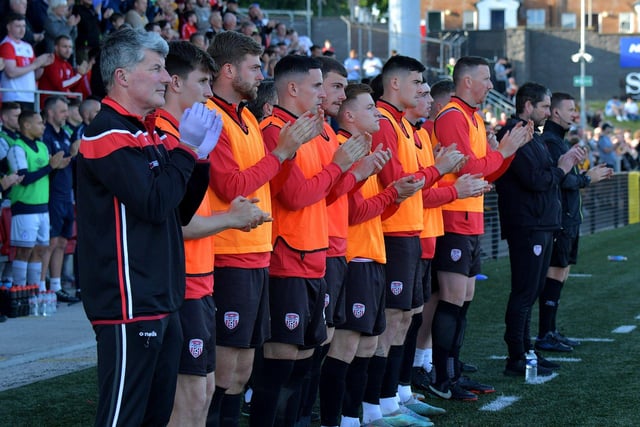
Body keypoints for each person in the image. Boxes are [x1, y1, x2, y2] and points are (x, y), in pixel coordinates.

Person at [76, 28, 220, 426]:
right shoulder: (107, 132)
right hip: (129, 300)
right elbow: (155, 204)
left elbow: (179, 210)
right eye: (156, 68)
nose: (164, 77)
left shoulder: (146, 132)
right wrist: (187, 150)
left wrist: (200, 161)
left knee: (155, 416)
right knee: (124, 416)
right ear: (122, 76)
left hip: (159, 295)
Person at [205, 33, 321, 427]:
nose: (261, 74)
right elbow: (231, 186)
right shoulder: (212, 116)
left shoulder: (249, 118)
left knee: (241, 371)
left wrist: (286, 154)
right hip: (227, 253)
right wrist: (282, 152)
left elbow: (268, 183)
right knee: (223, 372)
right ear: (228, 70)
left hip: (258, 253)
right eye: (255, 67)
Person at [252, 54, 368, 427]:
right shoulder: (276, 129)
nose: (323, 94)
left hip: (315, 256)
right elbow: (296, 196)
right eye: (318, 85)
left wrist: (354, 170)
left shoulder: (313, 130)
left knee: (303, 365)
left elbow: (328, 195)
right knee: (279, 369)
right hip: (287, 259)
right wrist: (340, 165)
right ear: (292, 88)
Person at [155, 40, 266, 427]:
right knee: (188, 397)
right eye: (203, 82)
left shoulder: (192, 132)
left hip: (204, 278)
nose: (208, 92)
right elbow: (178, 223)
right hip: (184, 280)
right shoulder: (164, 137)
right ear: (174, 83)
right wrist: (232, 219)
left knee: (205, 390)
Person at [361, 55, 464, 425]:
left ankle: (395, 396)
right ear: (395, 85)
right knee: (391, 321)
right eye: (418, 82)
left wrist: (437, 171)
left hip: (410, 231)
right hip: (391, 233)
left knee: (403, 319)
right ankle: (377, 404)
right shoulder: (387, 123)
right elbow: (399, 184)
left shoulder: (403, 125)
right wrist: (441, 171)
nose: (424, 89)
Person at [318, 82, 425, 427]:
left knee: (368, 345)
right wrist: (393, 192)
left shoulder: (362, 150)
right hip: (355, 256)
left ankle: (367, 413)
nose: (376, 113)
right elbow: (353, 211)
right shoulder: (341, 149)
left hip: (373, 254)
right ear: (348, 115)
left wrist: (396, 194)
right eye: (368, 108)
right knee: (346, 347)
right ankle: (341, 419)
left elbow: (375, 211)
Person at [429, 56, 530, 400]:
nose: (491, 85)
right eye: (486, 79)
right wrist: (503, 149)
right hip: (453, 217)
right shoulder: (453, 116)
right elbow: (469, 167)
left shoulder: (471, 117)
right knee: (452, 300)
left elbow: (488, 170)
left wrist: (509, 151)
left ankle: (453, 372)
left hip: (470, 219)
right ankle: (442, 378)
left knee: (464, 300)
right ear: (467, 81)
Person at [403, 81, 492, 399]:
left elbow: (481, 170)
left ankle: (438, 372)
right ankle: (432, 374)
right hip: (428, 228)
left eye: (428, 95)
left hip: (440, 226)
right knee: (421, 310)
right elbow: (414, 190)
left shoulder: (432, 128)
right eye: (422, 94)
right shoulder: (440, 123)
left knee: (453, 302)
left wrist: (498, 155)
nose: (427, 101)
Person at [495, 82, 583, 377]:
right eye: (545, 107)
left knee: (531, 292)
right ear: (528, 106)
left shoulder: (532, 136)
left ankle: (528, 351)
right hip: (527, 225)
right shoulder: (514, 134)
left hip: (541, 224)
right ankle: (517, 357)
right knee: (524, 292)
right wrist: (563, 167)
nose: (548, 112)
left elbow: (545, 176)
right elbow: (536, 180)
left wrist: (560, 167)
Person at [535, 93, 613, 353]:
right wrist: (588, 178)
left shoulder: (560, 140)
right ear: (556, 113)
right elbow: (563, 179)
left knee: (562, 272)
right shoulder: (551, 141)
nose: (574, 114)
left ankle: (551, 331)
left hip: (569, 218)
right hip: (559, 220)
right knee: (554, 272)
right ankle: (545, 333)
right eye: (570, 109)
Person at [6, 110, 68, 299]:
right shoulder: (17, 148)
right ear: (26, 125)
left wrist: (57, 167)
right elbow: (23, 178)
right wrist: (50, 166)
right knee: (24, 250)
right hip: (25, 207)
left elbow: (47, 175)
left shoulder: (42, 146)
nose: (43, 126)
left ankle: (33, 292)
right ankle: (19, 292)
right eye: (39, 123)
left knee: (41, 250)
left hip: (43, 206)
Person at [38, 96, 79, 302]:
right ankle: (40, 284)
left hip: (66, 194)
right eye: (62, 111)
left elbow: (70, 159)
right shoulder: (44, 134)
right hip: (51, 194)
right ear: (51, 112)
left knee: (63, 241)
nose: (66, 114)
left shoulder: (65, 133)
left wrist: (74, 154)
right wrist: (64, 159)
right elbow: (49, 165)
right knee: (51, 241)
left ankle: (56, 285)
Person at [0, 13, 54, 110]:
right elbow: (11, 72)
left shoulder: (27, 46)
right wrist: (35, 64)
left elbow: (34, 76)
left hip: (29, 96)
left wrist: (42, 65)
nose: (22, 30)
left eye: (24, 26)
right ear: (8, 27)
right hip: (13, 97)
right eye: (18, 26)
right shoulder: (6, 45)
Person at [38, 35, 90, 108]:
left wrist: (82, 74)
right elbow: (60, 86)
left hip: (61, 103)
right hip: (48, 105)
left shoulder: (68, 65)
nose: (68, 50)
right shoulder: (51, 62)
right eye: (65, 47)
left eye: (70, 47)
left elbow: (73, 88)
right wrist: (79, 75)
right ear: (56, 47)